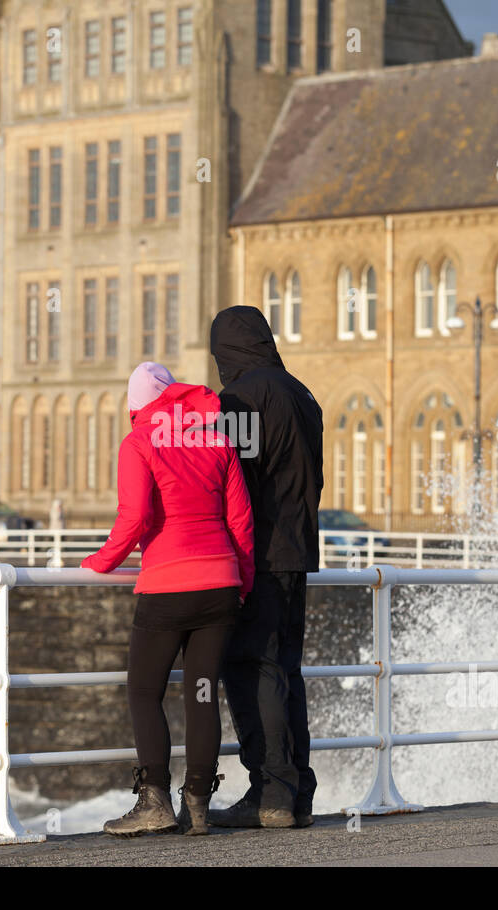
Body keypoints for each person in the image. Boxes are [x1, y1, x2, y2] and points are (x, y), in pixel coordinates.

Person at [82, 362, 255, 837]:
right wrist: (240, 583)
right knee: (202, 693)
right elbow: (241, 522)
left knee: (143, 691)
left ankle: (155, 800)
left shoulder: (139, 442)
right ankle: (198, 805)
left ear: (137, 405)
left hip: (167, 587)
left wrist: (100, 561)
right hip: (219, 584)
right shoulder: (216, 439)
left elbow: (135, 516)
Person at [207, 305, 324, 829]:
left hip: (259, 553)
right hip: (299, 551)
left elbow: (233, 481)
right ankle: (298, 793)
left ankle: (270, 791)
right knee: (287, 670)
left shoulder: (240, 399)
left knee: (254, 666)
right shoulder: (304, 393)